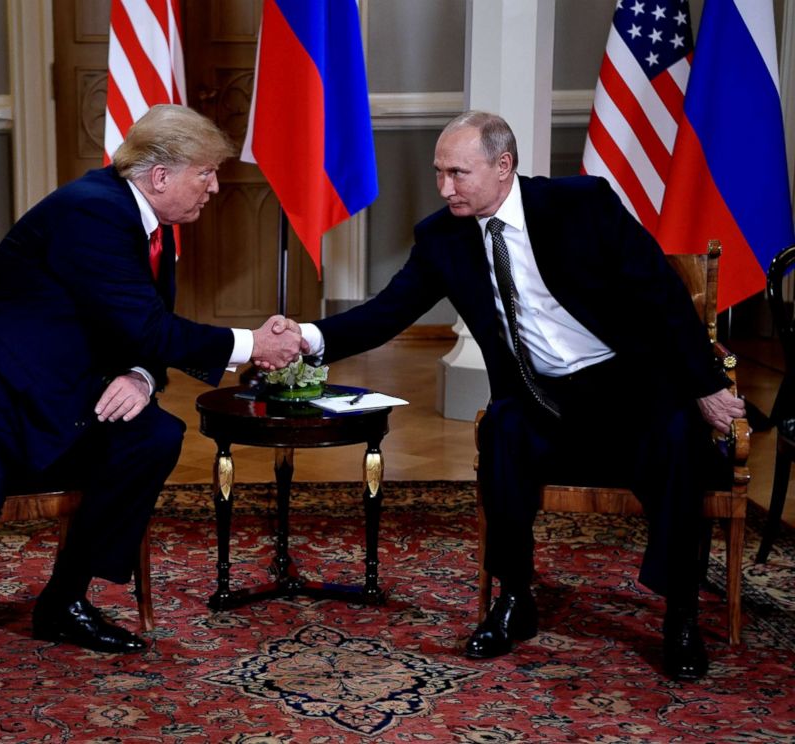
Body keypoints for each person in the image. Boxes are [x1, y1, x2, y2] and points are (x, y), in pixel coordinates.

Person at [293, 110, 745, 680]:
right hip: (540, 394)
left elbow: (662, 295)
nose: (444, 187)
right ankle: (514, 598)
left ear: (503, 167)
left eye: (458, 173)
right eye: (439, 172)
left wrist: (704, 385)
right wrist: (308, 337)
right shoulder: (443, 236)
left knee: (678, 438)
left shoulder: (580, 205)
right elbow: (387, 312)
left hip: (628, 383)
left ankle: (679, 611)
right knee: (501, 432)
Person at [0, 104, 303, 660]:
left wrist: (139, 376)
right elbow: (148, 325)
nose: (214, 188)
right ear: (161, 176)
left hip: (64, 383)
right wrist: (253, 345)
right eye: (206, 173)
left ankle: (65, 600)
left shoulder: (148, 224)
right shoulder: (92, 213)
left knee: (153, 435)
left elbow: (132, 326)